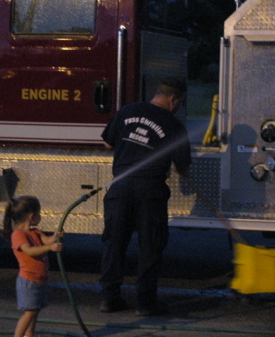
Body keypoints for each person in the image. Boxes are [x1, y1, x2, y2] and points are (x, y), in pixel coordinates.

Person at [99, 77, 191, 316]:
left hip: (120, 188)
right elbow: (182, 166)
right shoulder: (174, 126)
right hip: (150, 193)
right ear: (173, 100)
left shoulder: (127, 111)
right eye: (179, 103)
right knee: (150, 247)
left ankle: (109, 299)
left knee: (115, 244)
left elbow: (108, 143)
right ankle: (146, 304)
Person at [3, 196, 63, 337]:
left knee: (34, 313)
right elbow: (29, 251)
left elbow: (46, 240)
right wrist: (50, 247)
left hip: (39, 280)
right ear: (31, 216)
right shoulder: (18, 235)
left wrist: (54, 237)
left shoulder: (35, 232)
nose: (40, 216)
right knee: (29, 313)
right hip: (29, 281)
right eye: (39, 213)